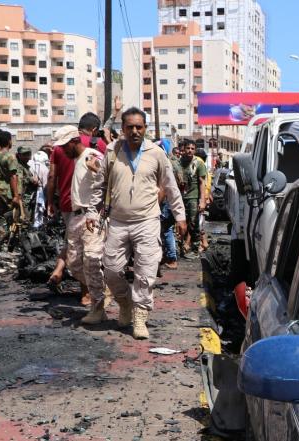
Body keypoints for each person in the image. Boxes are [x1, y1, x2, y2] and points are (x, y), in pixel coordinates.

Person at [100, 107, 186, 340]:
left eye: (139, 127)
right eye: (130, 127)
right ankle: (125, 303)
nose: (135, 131)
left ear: (145, 128)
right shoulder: (112, 151)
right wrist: (91, 213)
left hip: (147, 221)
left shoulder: (156, 153)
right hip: (118, 221)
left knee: (146, 271)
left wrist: (180, 216)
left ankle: (139, 317)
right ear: (123, 129)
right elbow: (100, 184)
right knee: (111, 269)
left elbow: (170, 186)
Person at [50, 126, 108, 325]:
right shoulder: (76, 158)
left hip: (90, 216)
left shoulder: (91, 156)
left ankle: (98, 305)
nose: (62, 151)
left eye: (65, 146)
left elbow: (105, 177)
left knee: (91, 259)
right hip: (76, 216)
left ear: (74, 141)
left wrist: (99, 168)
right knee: (74, 264)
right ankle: (100, 287)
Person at [0, 129, 21, 252]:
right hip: (7, 191)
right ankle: (6, 248)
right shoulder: (10, 156)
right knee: (10, 219)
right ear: (8, 141)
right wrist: (16, 195)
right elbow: (13, 176)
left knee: (0, 219)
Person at [177, 139, 209, 256]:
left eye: (192, 149)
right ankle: (188, 244)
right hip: (181, 197)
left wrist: (202, 200)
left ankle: (191, 244)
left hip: (193, 197)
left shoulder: (198, 164)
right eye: (188, 148)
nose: (190, 151)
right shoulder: (179, 163)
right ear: (183, 149)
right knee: (182, 222)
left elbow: (202, 182)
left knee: (193, 222)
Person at [15, 146, 39, 232]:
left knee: (28, 221)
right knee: (24, 222)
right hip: (23, 200)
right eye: (24, 154)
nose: (27, 157)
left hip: (28, 199)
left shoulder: (25, 166)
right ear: (19, 155)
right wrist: (20, 199)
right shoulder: (19, 167)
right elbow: (19, 184)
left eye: (28, 154)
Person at [28, 146, 51, 229]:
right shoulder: (45, 168)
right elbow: (46, 186)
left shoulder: (28, 164)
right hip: (39, 192)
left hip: (28, 193)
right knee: (38, 214)